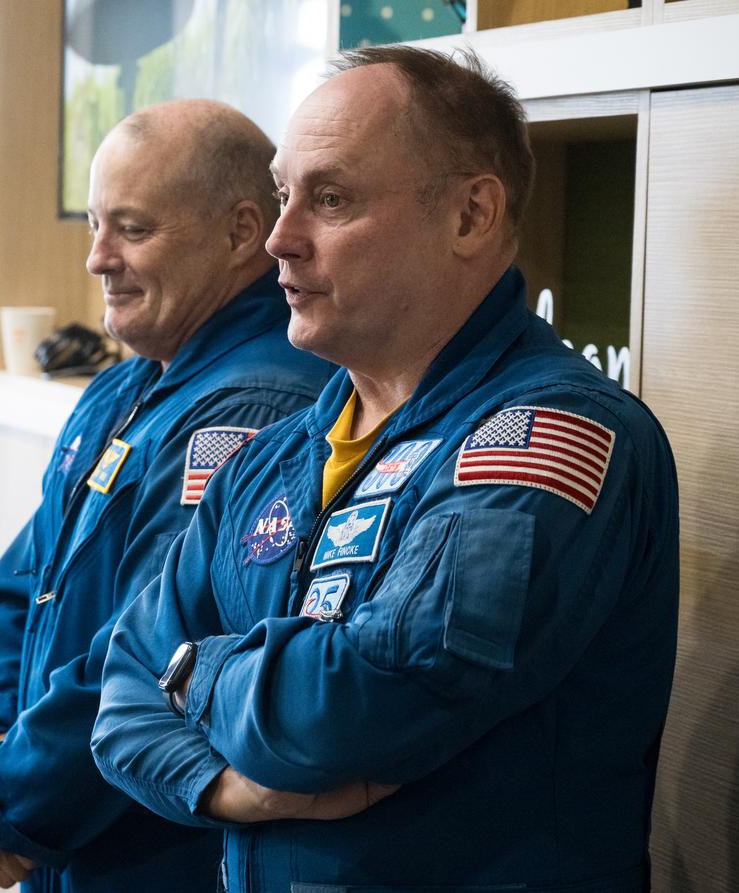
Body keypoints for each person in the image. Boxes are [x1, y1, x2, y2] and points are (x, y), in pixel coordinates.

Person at [92, 46, 679, 892]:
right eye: (285, 194)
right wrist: (229, 789)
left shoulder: (547, 434)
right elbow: (121, 694)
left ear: (472, 216)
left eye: (330, 199)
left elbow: (353, 711)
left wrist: (193, 669)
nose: (281, 239)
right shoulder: (277, 454)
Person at [0, 99, 334, 892]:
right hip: (59, 835)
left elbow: (151, 653)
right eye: (93, 223)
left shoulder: (257, 405)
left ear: (239, 231)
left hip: (152, 857)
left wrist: (5, 797)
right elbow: (17, 588)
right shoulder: (122, 387)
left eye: (132, 228)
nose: (96, 257)